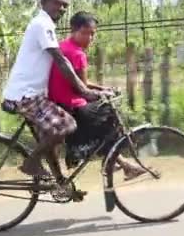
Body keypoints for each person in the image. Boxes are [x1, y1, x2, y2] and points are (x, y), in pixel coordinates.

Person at [1, 0, 106, 181]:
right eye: (57, 3)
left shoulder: (44, 25)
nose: (62, 8)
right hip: (27, 96)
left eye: (65, 5)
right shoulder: (42, 24)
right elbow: (60, 60)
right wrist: (83, 90)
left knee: (50, 139)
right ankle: (31, 162)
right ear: (43, 3)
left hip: (32, 94)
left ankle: (60, 183)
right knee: (66, 125)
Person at [47, 11, 147, 181]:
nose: (90, 38)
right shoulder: (78, 54)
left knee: (102, 124)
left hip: (59, 102)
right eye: (86, 33)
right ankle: (109, 160)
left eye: (93, 34)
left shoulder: (63, 46)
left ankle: (117, 162)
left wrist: (102, 88)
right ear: (74, 30)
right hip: (72, 104)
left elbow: (79, 82)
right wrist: (103, 93)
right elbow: (83, 87)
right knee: (110, 113)